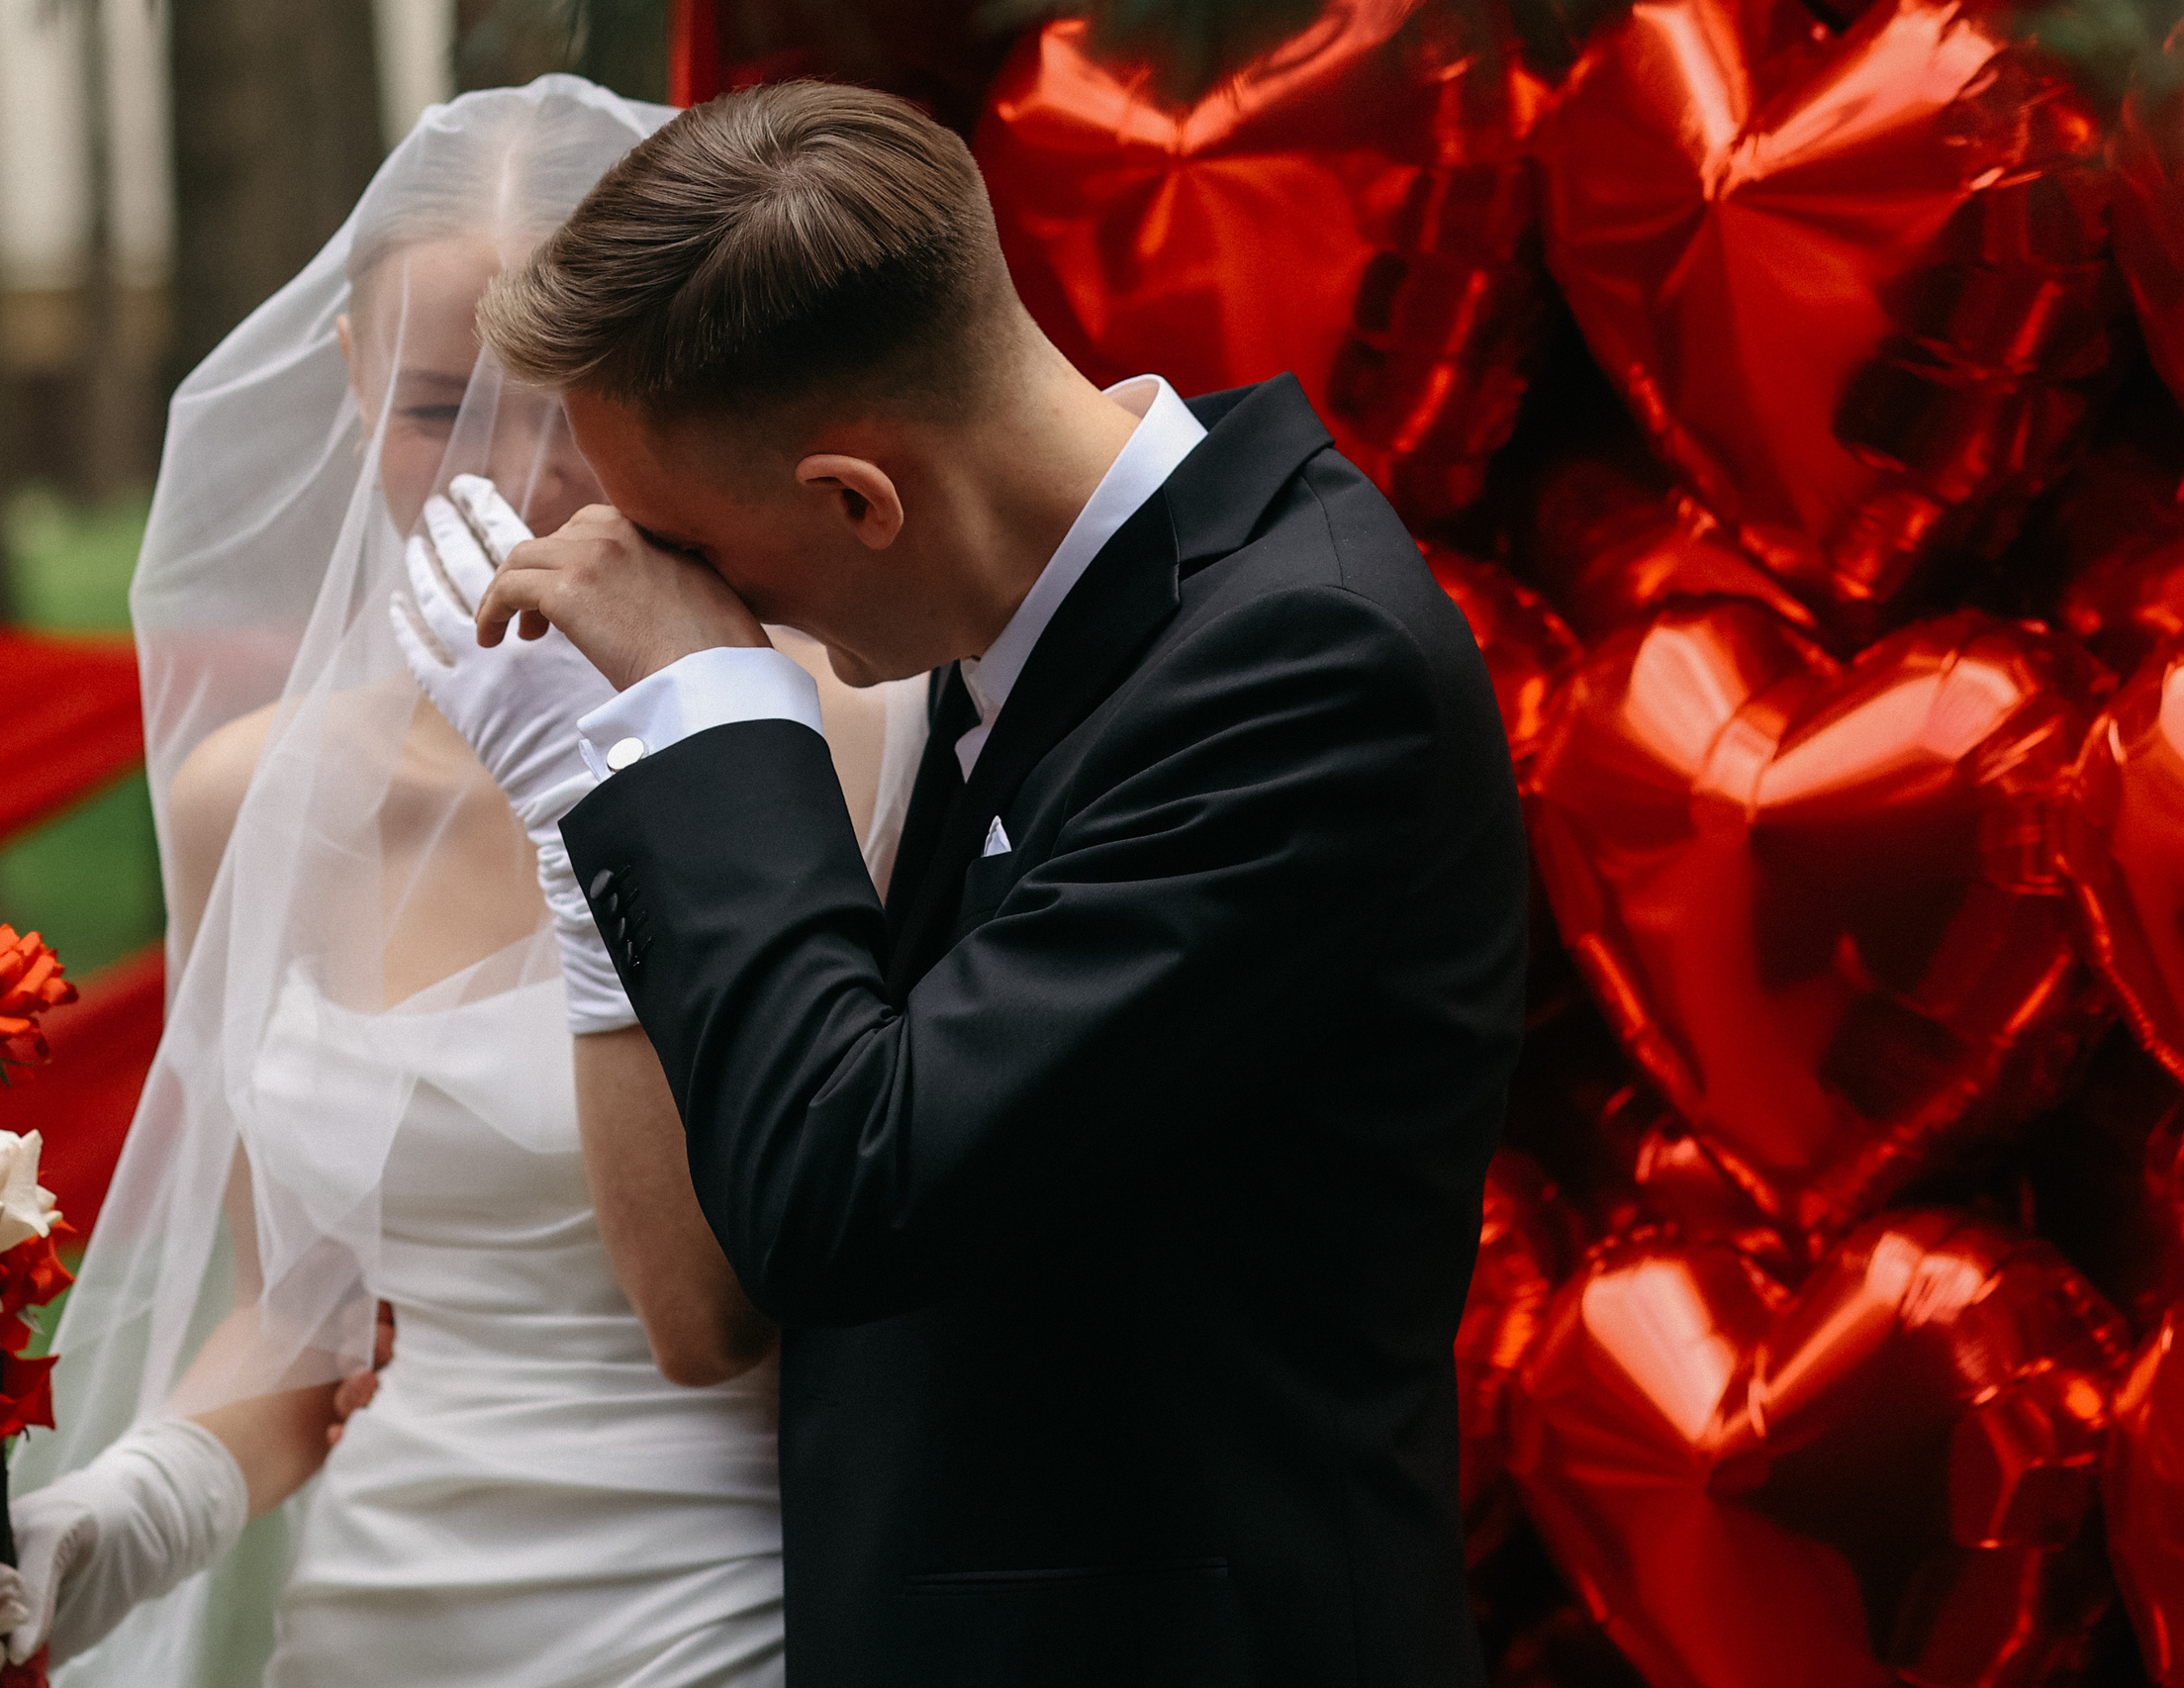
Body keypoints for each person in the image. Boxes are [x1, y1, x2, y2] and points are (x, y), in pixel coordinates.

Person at [400, 81, 1531, 1687]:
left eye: (687, 552)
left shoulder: (1302, 665)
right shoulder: (1006, 599)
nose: (663, 594)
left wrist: (698, 728)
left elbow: (848, 1188)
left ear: (861, 498)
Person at [0, 78, 924, 1688]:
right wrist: (116, 1520)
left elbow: (782, 1288)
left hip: (727, 1608)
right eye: (442, 407)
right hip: (372, 1623)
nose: (518, 483)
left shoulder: (859, 737)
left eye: (574, 409)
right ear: (348, 379)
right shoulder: (251, 796)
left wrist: (614, 815)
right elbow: (307, 1322)